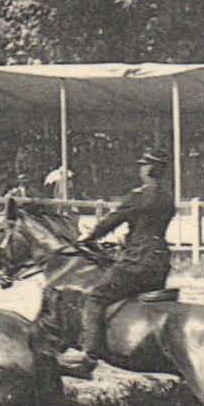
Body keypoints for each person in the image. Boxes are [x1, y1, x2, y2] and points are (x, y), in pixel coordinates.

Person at [52, 151, 176, 376]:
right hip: (159, 261)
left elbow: (111, 221)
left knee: (96, 298)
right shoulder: (168, 197)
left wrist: (87, 237)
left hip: (137, 260)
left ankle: (88, 356)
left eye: (143, 166)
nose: (140, 170)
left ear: (149, 170)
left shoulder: (139, 196)